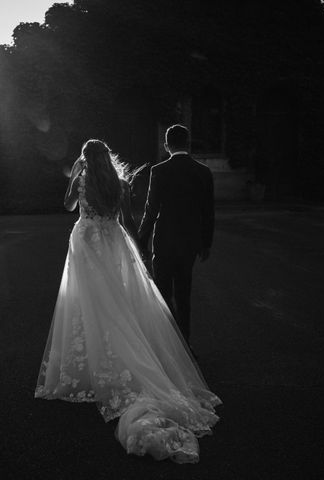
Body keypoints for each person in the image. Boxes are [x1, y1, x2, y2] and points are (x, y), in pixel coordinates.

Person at [35, 139, 220, 464]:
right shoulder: (119, 183)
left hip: (87, 243)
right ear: (107, 159)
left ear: (85, 160)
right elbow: (127, 221)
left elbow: (67, 207)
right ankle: (121, 351)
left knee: (89, 301)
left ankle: (97, 359)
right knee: (117, 301)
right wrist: (137, 252)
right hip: (112, 242)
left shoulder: (81, 180)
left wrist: (74, 176)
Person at [138, 124, 215, 349]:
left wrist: (142, 239)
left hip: (164, 239)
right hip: (190, 241)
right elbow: (208, 211)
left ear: (166, 145)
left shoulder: (159, 171)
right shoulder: (203, 171)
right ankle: (185, 345)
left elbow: (151, 210)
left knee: (163, 292)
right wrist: (206, 243)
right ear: (188, 144)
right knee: (184, 293)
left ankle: (165, 345)